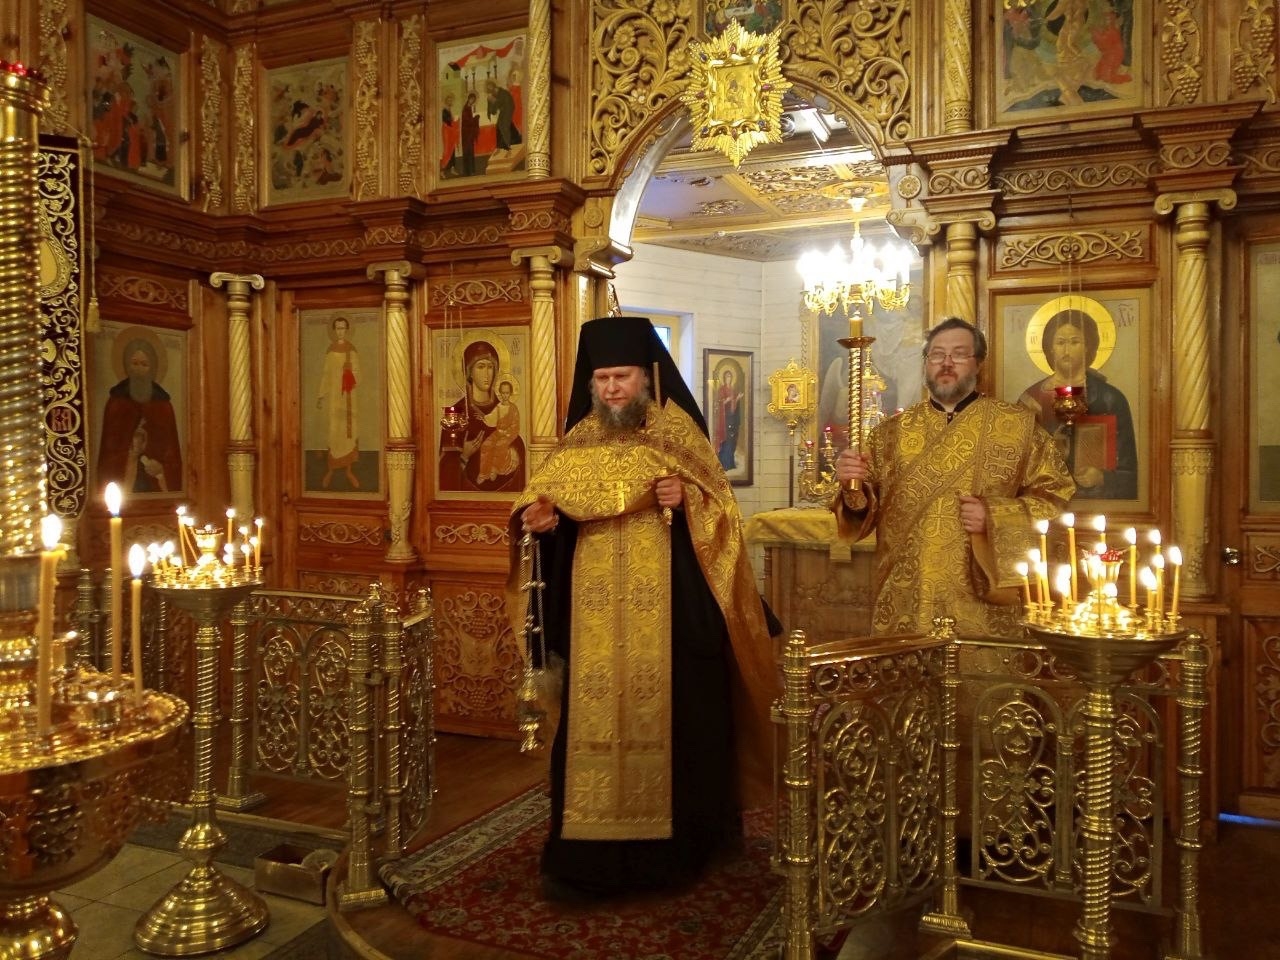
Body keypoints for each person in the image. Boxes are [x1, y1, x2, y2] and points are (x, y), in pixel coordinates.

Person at [507, 315, 778, 901]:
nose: (612, 389)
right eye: (603, 379)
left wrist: (688, 501)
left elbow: (722, 516)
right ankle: (587, 858)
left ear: (647, 377)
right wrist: (538, 521)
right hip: (593, 615)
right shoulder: (578, 442)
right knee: (591, 721)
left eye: (622, 377)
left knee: (676, 719)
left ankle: (677, 853)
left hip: (671, 612)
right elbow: (538, 506)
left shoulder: (678, 434)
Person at [833, 316, 1075, 637]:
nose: (946, 363)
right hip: (907, 594)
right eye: (936, 355)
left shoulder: (1018, 426)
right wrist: (852, 486)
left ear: (979, 364)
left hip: (982, 598)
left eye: (959, 354)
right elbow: (861, 513)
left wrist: (995, 516)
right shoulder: (889, 434)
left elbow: (1056, 496)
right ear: (926, 363)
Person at [1017, 308, 1138, 500]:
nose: (1066, 351)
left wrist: (1102, 477)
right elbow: (1018, 463)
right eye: (1060, 342)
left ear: (1088, 347)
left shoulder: (1110, 399)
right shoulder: (1031, 400)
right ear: (1050, 348)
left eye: (1075, 342)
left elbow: (1129, 469)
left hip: (1098, 503)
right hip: (1046, 502)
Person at [97, 336, 183, 493]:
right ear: (126, 365)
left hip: (155, 482)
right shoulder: (116, 402)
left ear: (153, 368)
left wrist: (161, 469)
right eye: (134, 363)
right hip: (123, 482)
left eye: (144, 364)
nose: (138, 369)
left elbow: (172, 455)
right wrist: (130, 456)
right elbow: (108, 455)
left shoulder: (163, 405)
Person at [438, 339, 525, 492]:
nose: (486, 374)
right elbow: (445, 470)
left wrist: (515, 452)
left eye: (490, 367)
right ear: (469, 372)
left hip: (505, 495)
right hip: (466, 497)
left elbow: (515, 437)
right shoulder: (455, 412)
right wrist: (464, 456)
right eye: (480, 367)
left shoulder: (505, 408)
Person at [315, 316, 361, 490]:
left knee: (348, 432)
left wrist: (350, 373)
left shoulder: (352, 350)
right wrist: (321, 395)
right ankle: (331, 469)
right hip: (334, 398)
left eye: (343, 328)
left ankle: (349, 470)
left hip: (348, 396)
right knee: (334, 431)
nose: (340, 331)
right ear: (334, 330)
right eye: (338, 328)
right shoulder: (330, 351)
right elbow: (326, 374)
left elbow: (359, 374)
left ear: (347, 330)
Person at [476, 376, 521, 482]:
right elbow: (492, 418)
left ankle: (495, 469)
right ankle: (483, 473)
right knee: (485, 445)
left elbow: (515, 425)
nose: (505, 395)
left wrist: (506, 432)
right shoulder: (499, 407)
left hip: (509, 434)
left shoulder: (513, 408)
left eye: (507, 393)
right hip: (498, 432)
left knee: (499, 446)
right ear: (500, 393)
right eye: (503, 393)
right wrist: (484, 418)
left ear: (510, 394)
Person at [713, 365, 743, 470]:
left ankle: (730, 463)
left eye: (730, 377)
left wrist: (737, 398)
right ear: (724, 378)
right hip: (724, 418)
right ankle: (724, 464)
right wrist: (727, 400)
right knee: (726, 439)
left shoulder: (733, 390)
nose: (728, 379)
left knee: (731, 439)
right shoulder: (722, 389)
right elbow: (718, 403)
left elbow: (733, 407)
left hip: (732, 417)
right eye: (726, 377)